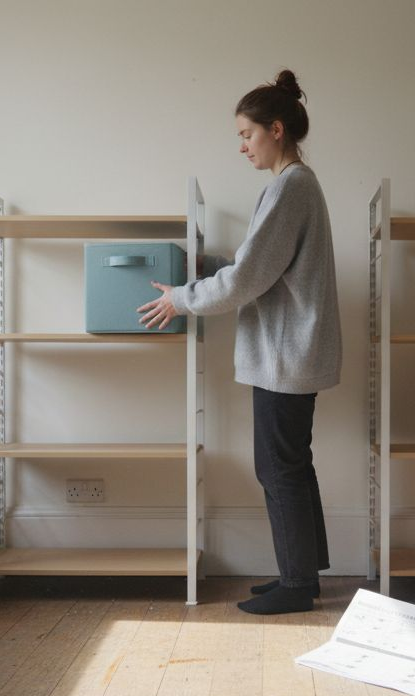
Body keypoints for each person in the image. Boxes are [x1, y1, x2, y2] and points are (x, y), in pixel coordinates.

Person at [137, 69, 341, 614]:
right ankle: (302, 576)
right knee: (291, 464)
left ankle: (297, 586)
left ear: (276, 129)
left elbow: (250, 279)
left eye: (246, 135)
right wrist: (211, 268)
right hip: (289, 353)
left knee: (279, 468)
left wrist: (182, 297)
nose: (242, 146)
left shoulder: (290, 186)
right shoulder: (295, 184)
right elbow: (262, 270)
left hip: (285, 355)